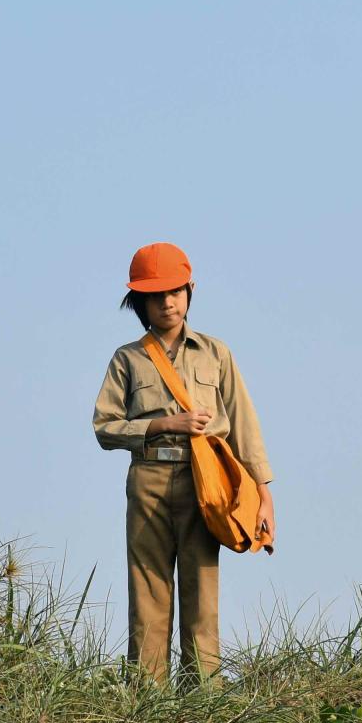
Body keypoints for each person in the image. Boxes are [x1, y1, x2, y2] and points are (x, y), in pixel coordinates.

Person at [92, 242, 275, 683]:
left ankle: (202, 707)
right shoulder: (127, 359)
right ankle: (146, 704)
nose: (167, 302)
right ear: (138, 301)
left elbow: (245, 428)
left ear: (191, 290)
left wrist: (264, 495)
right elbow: (104, 427)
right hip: (149, 478)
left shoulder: (217, 354)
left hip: (205, 482)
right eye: (155, 295)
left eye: (174, 291)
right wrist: (162, 424)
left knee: (202, 593)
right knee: (148, 592)